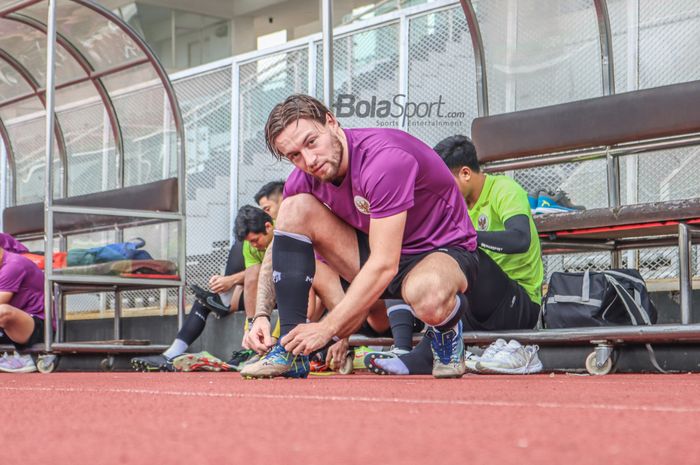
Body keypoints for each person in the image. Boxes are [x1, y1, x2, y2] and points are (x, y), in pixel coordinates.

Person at [241, 94, 479, 379]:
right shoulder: (304, 179)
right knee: (294, 208)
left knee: (426, 294)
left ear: (331, 122)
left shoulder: (383, 160)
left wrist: (328, 329)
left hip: (440, 250)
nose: (309, 160)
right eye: (294, 156)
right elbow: (277, 247)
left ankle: (447, 329)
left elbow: (384, 264)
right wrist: (261, 316)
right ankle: (292, 349)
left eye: (311, 142)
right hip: (382, 254)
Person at [369, 135, 544, 375]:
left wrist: (468, 236)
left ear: (465, 173)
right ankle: (403, 348)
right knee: (402, 258)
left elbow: (520, 239)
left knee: (464, 249)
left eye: (444, 180)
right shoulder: (453, 203)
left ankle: (423, 353)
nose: (439, 187)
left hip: (517, 305)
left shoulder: (504, 189)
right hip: (472, 308)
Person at [130, 184, 283, 372]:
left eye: (267, 208)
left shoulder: (283, 233)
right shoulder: (250, 244)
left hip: (282, 289)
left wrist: (231, 281)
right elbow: (252, 278)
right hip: (261, 292)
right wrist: (249, 327)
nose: (254, 245)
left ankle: (273, 346)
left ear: (268, 226)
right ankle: (170, 355)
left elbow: (268, 274)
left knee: (270, 284)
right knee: (204, 302)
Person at [0, 247, 45, 373]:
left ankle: (25, 358)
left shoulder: (13, 265)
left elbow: (1, 300)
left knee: (2, 311)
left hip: (37, 325)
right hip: (10, 329)